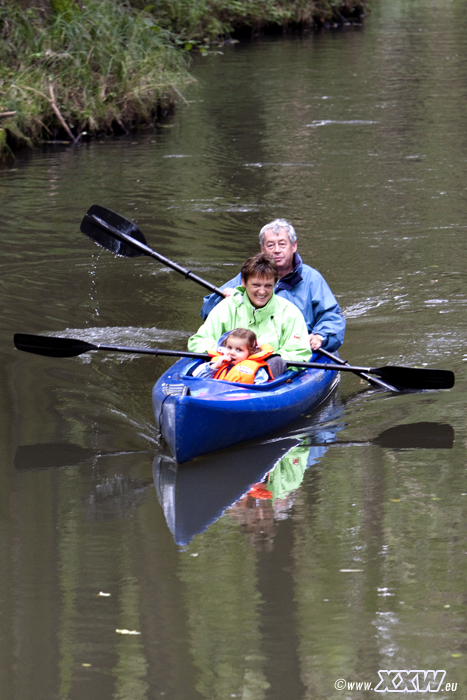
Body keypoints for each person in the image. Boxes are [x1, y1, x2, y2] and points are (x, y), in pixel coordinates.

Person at [200, 219, 345, 353]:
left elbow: (332, 317)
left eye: (282, 244)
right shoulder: (247, 277)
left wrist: (320, 336)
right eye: (270, 245)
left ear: (293, 246)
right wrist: (223, 300)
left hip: (294, 348)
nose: (276, 250)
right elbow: (207, 313)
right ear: (262, 249)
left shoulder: (312, 279)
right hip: (246, 350)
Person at [188, 253, 312, 376]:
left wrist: (258, 359)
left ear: (275, 283)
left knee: (276, 361)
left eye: (268, 286)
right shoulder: (226, 307)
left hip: (264, 377)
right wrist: (227, 352)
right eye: (256, 285)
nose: (262, 291)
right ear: (244, 282)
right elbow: (197, 342)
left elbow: (300, 353)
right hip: (227, 372)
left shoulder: (290, 313)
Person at [192, 328, 275, 384]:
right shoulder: (216, 363)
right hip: (213, 396)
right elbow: (197, 380)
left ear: (250, 352)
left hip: (241, 401)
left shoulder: (258, 371)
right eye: (229, 347)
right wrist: (215, 366)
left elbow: (261, 391)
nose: (232, 353)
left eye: (239, 350)